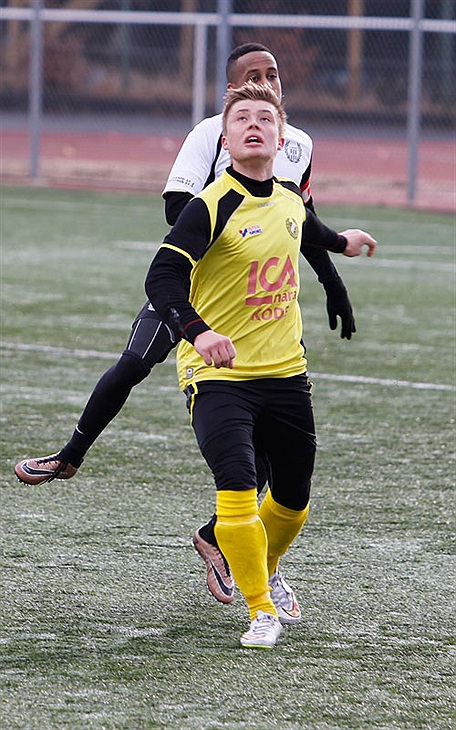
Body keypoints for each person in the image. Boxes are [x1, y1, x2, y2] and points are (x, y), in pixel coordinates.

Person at [15, 43, 355, 602]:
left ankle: (224, 541)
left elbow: (301, 218)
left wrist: (333, 281)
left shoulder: (296, 143)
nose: (266, 82)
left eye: (272, 74)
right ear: (230, 92)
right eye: (252, 76)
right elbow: (177, 209)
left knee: (266, 444)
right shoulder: (210, 135)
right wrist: (227, 210)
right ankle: (69, 456)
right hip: (194, 289)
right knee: (133, 363)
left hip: (249, 310)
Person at [145, 82, 376, 648]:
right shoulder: (210, 205)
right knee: (238, 486)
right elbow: (161, 277)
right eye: (242, 118)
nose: (254, 125)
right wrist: (199, 333)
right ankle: (260, 610)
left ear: (281, 137)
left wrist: (342, 242)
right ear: (225, 140)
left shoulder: (291, 198)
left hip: (286, 373)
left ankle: (261, 565)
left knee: (293, 500)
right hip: (219, 377)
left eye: (265, 119)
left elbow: (307, 230)